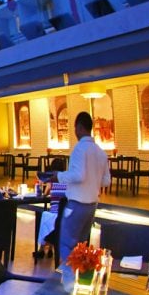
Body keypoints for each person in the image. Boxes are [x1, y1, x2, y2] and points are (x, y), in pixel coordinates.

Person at [51, 112, 110, 265]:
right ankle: (79, 280)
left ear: (79, 127)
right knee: (81, 246)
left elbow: (78, 176)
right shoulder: (101, 152)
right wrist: (93, 179)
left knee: (66, 244)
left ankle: (69, 281)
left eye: (75, 128)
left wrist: (59, 176)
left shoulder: (80, 148)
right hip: (92, 206)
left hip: (76, 204)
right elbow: (106, 181)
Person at [36, 157, 68, 255]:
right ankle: (50, 248)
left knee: (45, 215)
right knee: (51, 217)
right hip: (65, 215)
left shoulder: (52, 181)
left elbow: (45, 194)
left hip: (54, 214)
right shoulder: (68, 181)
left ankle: (42, 248)